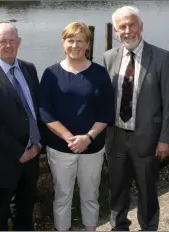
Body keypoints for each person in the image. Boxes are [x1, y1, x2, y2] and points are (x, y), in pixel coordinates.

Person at [103, 6, 169, 231]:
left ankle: (149, 227)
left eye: (131, 25)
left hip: (148, 138)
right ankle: (119, 226)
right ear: (116, 31)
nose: (127, 30)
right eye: (122, 27)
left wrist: (165, 139)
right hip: (116, 138)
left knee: (147, 191)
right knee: (116, 190)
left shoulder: (161, 57)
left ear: (141, 27)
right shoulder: (108, 57)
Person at [39, 21, 114, 231]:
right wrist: (69, 138)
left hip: (93, 147)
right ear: (63, 43)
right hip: (60, 148)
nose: (75, 45)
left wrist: (88, 138)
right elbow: (45, 112)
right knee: (62, 197)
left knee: (91, 195)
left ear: (88, 44)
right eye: (70, 40)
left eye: (80, 40)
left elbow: (106, 112)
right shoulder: (51, 74)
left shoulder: (99, 74)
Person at [0, 22, 42, 230]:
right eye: (3, 41)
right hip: (2, 160)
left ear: (19, 41)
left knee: (24, 209)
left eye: (12, 40)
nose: (9, 45)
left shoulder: (28, 68)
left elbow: (35, 110)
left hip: (31, 156)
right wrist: (22, 152)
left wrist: (37, 145)